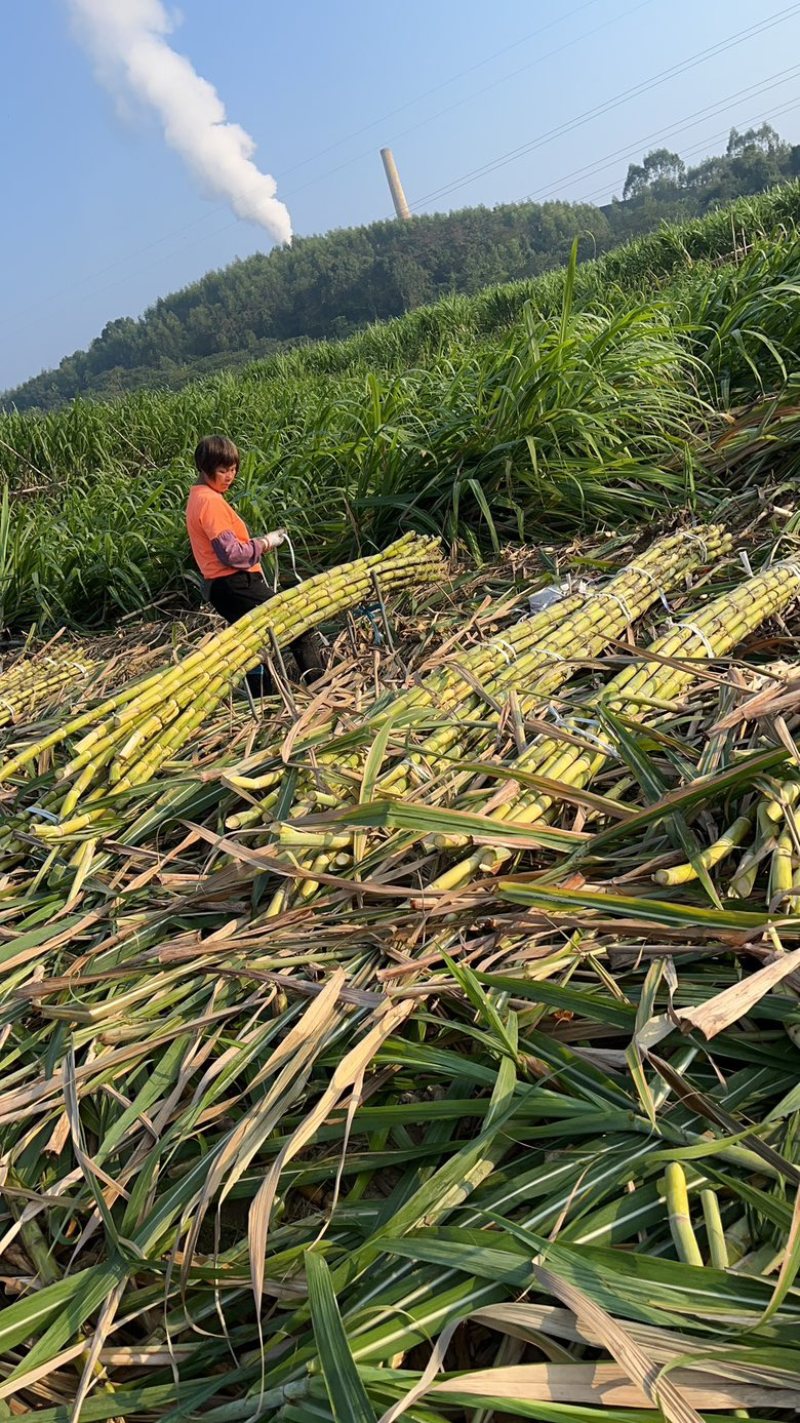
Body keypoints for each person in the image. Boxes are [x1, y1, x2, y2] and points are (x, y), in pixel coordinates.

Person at [186, 434, 324, 695]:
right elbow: (231, 554)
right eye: (222, 470)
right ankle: (322, 688)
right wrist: (265, 543)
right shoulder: (210, 502)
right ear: (204, 469)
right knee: (298, 624)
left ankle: (263, 700)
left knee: (254, 644)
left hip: (220, 588)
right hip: (235, 583)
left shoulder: (198, 497)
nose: (230, 476)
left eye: (233, 470)